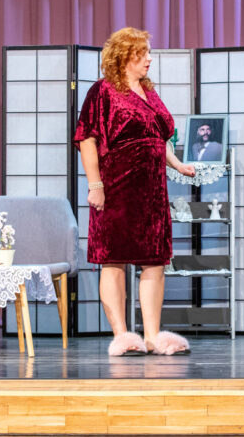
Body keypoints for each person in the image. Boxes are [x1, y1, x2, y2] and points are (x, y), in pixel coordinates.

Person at [74, 27, 197, 356]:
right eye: (142, 54)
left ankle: (153, 336)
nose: (149, 59)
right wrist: (95, 185)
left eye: (148, 53)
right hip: (116, 189)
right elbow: (87, 139)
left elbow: (157, 138)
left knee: (154, 262)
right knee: (113, 261)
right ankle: (123, 336)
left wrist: (177, 164)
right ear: (123, 57)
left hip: (152, 192)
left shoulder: (149, 92)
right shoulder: (103, 91)